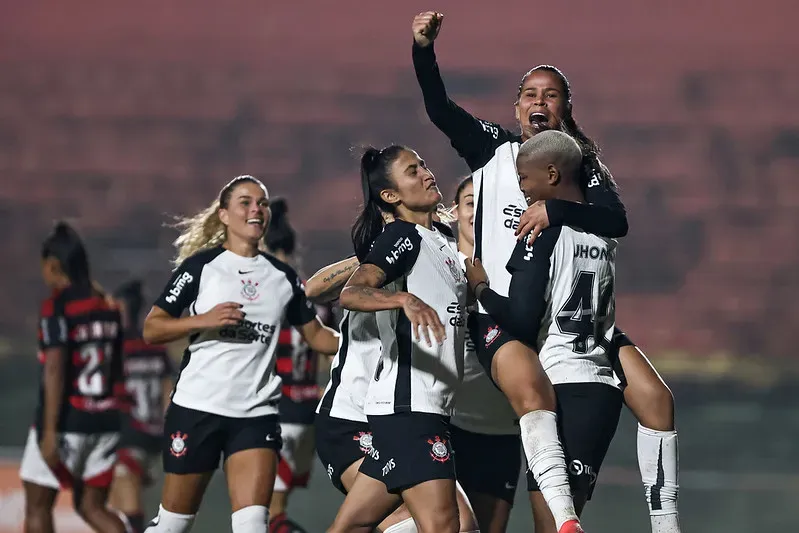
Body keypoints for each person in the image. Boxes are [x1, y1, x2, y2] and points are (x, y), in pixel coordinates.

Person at [411, 12, 680, 533]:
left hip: (568, 312)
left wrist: (555, 210)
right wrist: (423, 49)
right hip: (508, 312)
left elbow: (616, 221)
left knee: (657, 400)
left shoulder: (582, 169)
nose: (539, 102)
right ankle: (561, 518)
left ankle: (665, 523)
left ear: (566, 109)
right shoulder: (494, 151)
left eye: (550, 95)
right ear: (516, 108)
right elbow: (440, 109)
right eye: (530, 94)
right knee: (532, 394)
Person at [141, 175, 339, 533]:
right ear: (224, 215)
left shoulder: (283, 278)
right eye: (245, 202)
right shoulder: (201, 268)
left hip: (256, 415)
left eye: (262, 203)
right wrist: (204, 320)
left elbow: (318, 337)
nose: (256, 210)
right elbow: (152, 328)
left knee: (253, 527)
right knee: (172, 526)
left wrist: (367, 344)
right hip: (197, 408)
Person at [466, 131, 623, 532]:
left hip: (561, 384)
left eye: (524, 179)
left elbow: (519, 319)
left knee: (551, 524)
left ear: (550, 174)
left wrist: (481, 288)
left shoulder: (541, 233)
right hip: (604, 391)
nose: (520, 188)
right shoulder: (603, 233)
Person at [326, 146, 468, 533]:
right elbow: (352, 292)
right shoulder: (403, 236)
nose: (426, 172)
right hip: (411, 412)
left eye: (423, 163)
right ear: (391, 196)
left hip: (413, 412)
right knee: (445, 528)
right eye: (412, 170)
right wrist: (402, 298)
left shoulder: (439, 240)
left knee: (351, 527)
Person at [20, 221, 128, 533]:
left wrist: (50, 432)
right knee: (92, 507)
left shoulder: (57, 307)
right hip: (105, 421)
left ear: (53, 265)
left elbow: (55, 368)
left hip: (68, 420)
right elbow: (118, 366)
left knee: (38, 506)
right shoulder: (108, 307)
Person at [448, 176, 520, 533]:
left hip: (503, 431)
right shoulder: (438, 262)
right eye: (469, 202)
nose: (477, 211)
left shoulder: (517, 268)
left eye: (484, 203)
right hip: (449, 424)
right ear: (453, 212)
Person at [262, 197, 336, 533]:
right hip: (310, 407)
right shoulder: (313, 295)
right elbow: (330, 351)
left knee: (268, 513)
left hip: (275, 408)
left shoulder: (262, 295)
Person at [108, 280, 175, 533]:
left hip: (129, 434)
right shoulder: (155, 346)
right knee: (121, 503)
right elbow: (169, 393)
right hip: (154, 436)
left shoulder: (116, 349)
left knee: (123, 502)